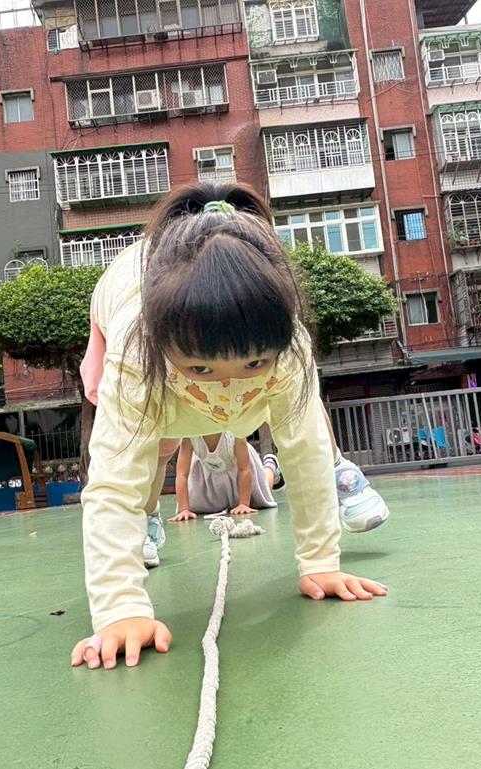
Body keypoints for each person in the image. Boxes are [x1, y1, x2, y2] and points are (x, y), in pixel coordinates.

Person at [72, 182, 390, 671]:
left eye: (252, 363)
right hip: (126, 332)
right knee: (150, 449)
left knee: (305, 417)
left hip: (208, 358)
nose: (227, 385)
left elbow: (304, 453)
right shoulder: (134, 355)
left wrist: (320, 562)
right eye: (202, 368)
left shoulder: (290, 349)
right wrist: (120, 609)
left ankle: (347, 475)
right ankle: (149, 519)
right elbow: (113, 485)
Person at [166, 433, 283, 526]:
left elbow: (244, 469)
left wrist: (244, 503)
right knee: (202, 506)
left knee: (263, 488)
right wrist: (184, 509)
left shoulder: (235, 431)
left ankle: (270, 465)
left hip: (242, 471)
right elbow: (182, 474)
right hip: (210, 475)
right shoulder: (190, 435)